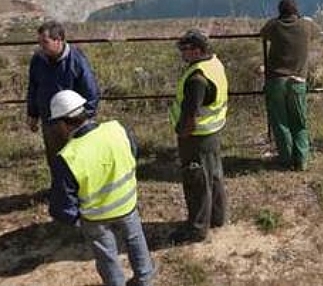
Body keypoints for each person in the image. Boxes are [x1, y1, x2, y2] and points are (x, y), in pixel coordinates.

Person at [48, 90, 154, 286]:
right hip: (128, 203)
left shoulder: (68, 157)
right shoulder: (117, 129)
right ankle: (145, 279)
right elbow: (133, 152)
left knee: (107, 257)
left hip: (96, 217)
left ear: (64, 122)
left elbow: (63, 203)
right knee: (136, 240)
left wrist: (75, 219)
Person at [168, 29, 229, 244]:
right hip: (212, 133)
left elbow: (191, 115)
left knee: (196, 182)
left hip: (196, 137)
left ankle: (197, 229)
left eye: (184, 49)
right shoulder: (214, 64)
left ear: (196, 50)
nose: (182, 53)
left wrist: (181, 134)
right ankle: (217, 217)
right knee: (213, 176)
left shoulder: (197, 79)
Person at [26, 20, 100, 179]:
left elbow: (91, 93)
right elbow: (33, 87)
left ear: (58, 40)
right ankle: (60, 190)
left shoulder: (77, 60)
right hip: (50, 121)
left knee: (78, 158)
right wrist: (33, 114)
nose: (41, 46)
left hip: (72, 123)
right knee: (55, 160)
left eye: (45, 42)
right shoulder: (38, 60)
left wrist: (82, 121)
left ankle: (81, 191)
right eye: (39, 42)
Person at [260, 0, 321, 171]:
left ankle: (286, 160)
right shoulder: (306, 25)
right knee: (299, 123)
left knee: (281, 122)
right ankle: (301, 160)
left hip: (276, 81)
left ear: (280, 11)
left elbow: (262, 32)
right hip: (297, 81)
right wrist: (308, 19)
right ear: (296, 11)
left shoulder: (274, 26)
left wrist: (274, 20)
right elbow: (318, 32)